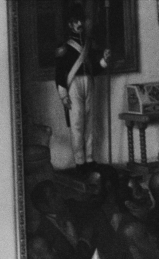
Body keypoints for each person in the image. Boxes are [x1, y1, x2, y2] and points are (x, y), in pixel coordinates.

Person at [54, 3, 110, 168]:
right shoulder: (64, 48)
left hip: (89, 83)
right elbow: (59, 74)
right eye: (75, 21)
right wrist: (63, 96)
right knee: (77, 123)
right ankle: (80, 162)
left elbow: (95, 68)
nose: (79, 24)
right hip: (74, 86)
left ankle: (90, 159)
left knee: (90, 123)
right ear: (70, 24)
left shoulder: (88, 44)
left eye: (81, 20)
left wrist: (104, 60)